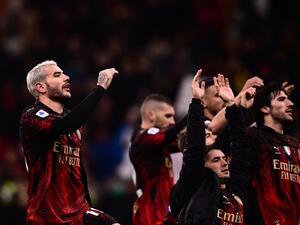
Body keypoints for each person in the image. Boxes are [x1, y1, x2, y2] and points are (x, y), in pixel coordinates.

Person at [19, 60, 120, 225]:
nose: (66, 77)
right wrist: (100, 87)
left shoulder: (72, 121)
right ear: (41, 87)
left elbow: (78, 170)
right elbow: (66, 125)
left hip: (79, 213)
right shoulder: (32, 117)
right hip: (48, 216)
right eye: (57, 75)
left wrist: (88, 204)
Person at [169, 69, 257, 225]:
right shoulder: (195, 184)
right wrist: (196, 102)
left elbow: (241, 147)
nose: (224, 163)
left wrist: (231, 104)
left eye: (224, 159)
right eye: (216, 160)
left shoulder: (235, 186)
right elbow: (195, 153)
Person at [247, 82, 300, 225]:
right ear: (265, 108)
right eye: (282, 99)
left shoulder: (295, 144)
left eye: (287, 99)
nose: (291, 103)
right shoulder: (254, 137)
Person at [129, 93, 186, 225]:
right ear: (151, 115)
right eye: (168, 116)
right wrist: (197, 107)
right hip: (150, 214)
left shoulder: (159, 144)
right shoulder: (142, 139)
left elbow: (187, 141)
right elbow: (173, 133)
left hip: (164, 213)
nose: (172, 121)